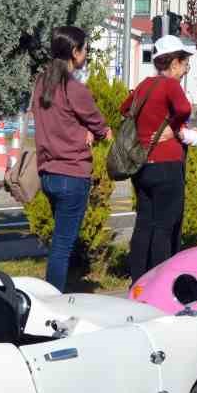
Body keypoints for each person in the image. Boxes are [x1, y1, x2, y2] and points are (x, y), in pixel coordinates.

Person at [29, 26, 111, 290]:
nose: (87, 53)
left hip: (48, 173)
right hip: (72, 174)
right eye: (85, 49)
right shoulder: (74, 88)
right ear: (75, 53)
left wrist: (83, 130)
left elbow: (60, 122)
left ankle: (52, 293)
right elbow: (100, 125)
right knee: (62, 247)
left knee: (58, 243)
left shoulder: (41, 84)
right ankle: (53, 301)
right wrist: (99, 132)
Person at [121, 35, 197, 282]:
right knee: (165, 227)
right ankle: (161, 282)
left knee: (144, 223)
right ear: (174, 63)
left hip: (143, 166)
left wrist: (148, 128)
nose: (186, 68)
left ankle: (138, 280)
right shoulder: (170, 85)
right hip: (167, 165)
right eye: (185, 62)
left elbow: (125, 109)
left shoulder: (145, 84)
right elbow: (185, 109)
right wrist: (175, 127)